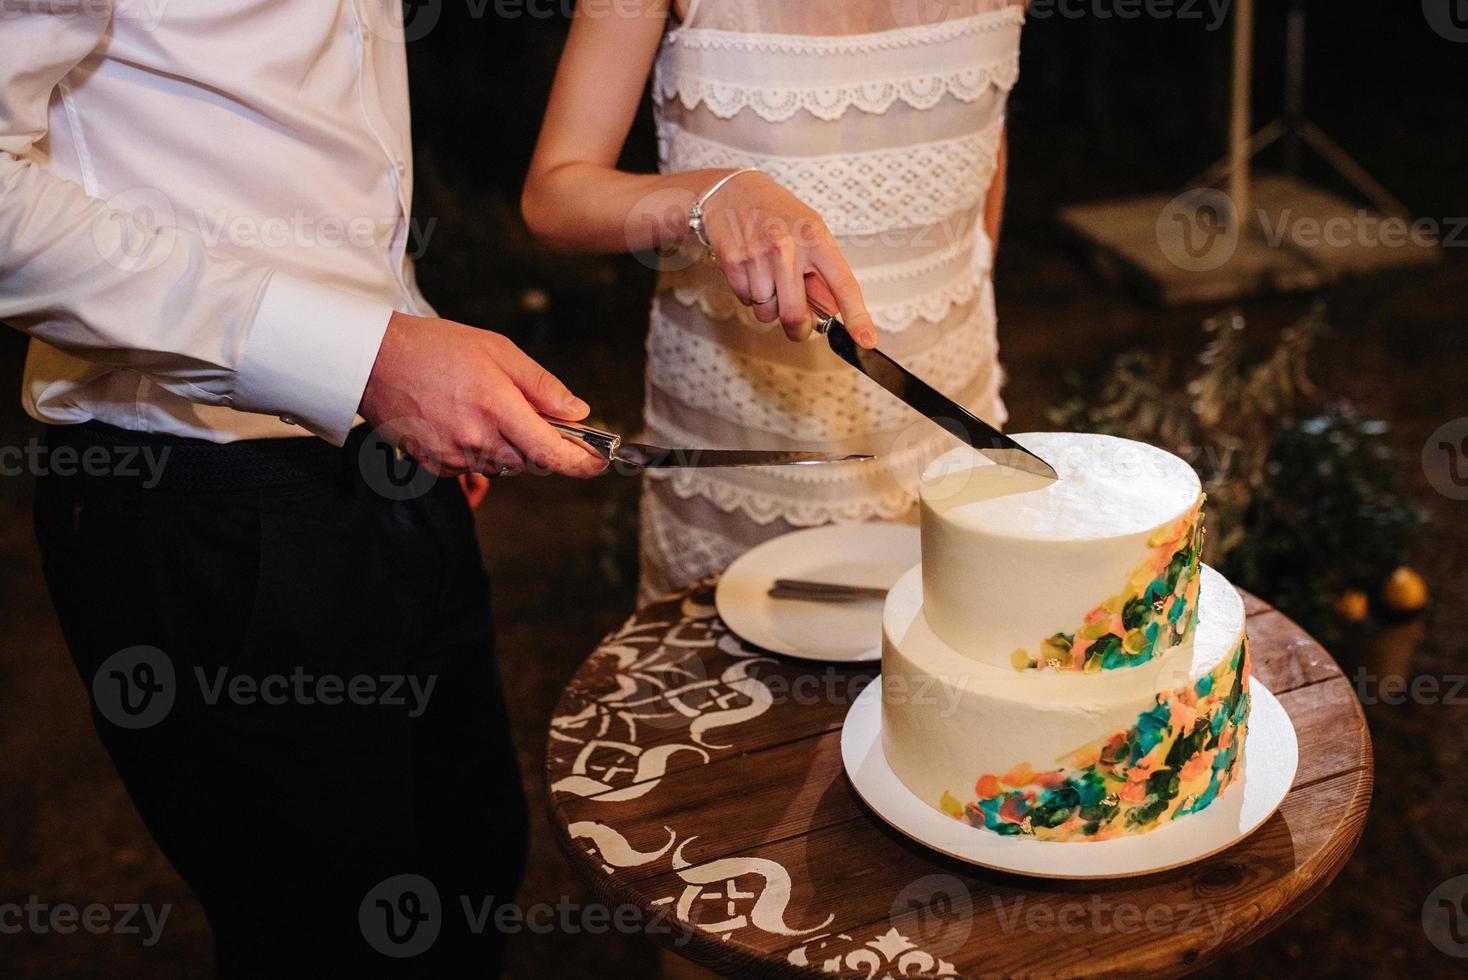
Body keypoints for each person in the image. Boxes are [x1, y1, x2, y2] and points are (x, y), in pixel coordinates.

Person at [2, 3, 602, 975]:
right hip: (196, 491)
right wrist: (361, 358)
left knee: (471, 876)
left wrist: (408, 343)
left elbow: (317, 139)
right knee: (324, 939)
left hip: (389, 458)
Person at [524, 0, 1024, 603]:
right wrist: (712, 195)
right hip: (740, 467)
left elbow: (982, 146)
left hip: (947, 433)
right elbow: (554, 199)